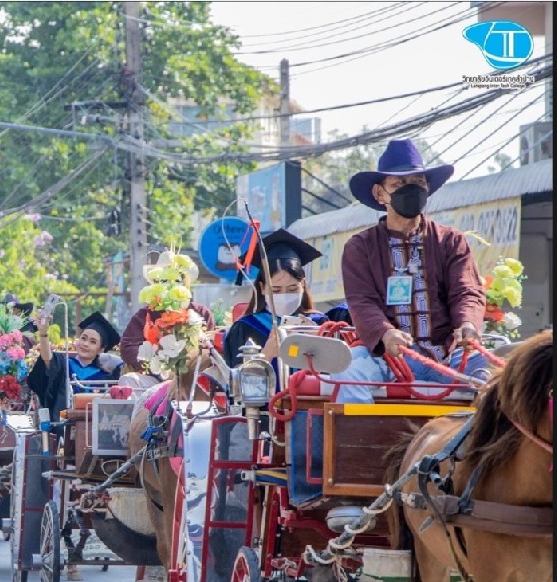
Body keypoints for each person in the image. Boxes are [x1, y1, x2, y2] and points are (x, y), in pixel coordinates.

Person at [331, 139, 488, 404]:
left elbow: (466, 291)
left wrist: (468, 324)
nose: (410, 190)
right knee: (349, 375)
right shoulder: (360, 247)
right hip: (388, 359)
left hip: (448, 357)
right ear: (380, 194)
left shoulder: (451, 241)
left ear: (427, 189)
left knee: (502, 379)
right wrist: (384, 333)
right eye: (399, 185)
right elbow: (362, 301)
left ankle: (481, 445)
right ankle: (360, 444)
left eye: (417, 183)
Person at [222, 229, 326, 368]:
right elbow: (237, 384)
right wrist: (266, 355)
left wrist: (320, 345)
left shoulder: (319, 323)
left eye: (292, 289)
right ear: (262, 287)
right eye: (276, 290)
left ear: (302, 285)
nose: (285, 296)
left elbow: (336, 377)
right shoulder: (245, 328)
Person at [119, 250, 216, 390]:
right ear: (156, 284)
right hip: (153, 378)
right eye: (164, 281)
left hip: (192, 380)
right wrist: (156, 363)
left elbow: (210, 348)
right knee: (128, 380)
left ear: (185, 284)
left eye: (177, 281)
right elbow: (128, 346)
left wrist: (188, 362)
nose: (171, 285)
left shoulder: (201, 313)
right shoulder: (145, 314)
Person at [29, 311, 123, 423]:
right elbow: (47, 358)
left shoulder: (105, 378)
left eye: (93, 342)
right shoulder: (63, 364)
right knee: (64, 422)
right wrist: (43, 334)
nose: (85, 344)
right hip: (61, 420)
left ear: (101, 349)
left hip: (92, 426)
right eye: (83, 338)